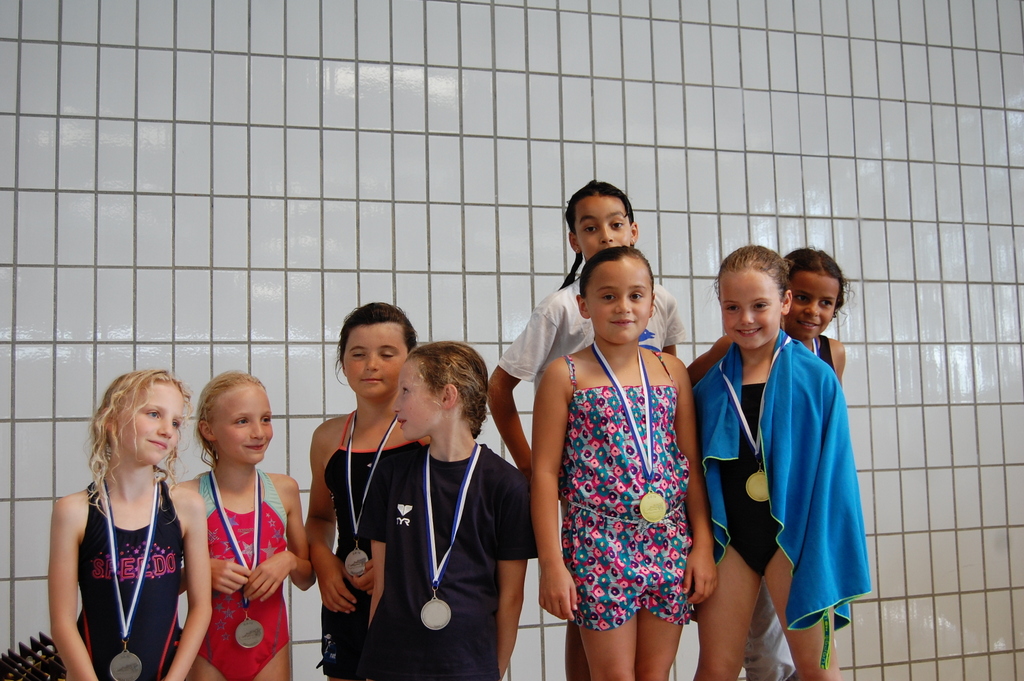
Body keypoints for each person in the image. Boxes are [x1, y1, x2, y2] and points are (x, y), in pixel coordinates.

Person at [488, 180, 687, 680]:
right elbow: (501, 388)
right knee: (603, 657)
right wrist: (532, 469)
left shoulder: (663, 312)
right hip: (593, 514)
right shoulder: (561, 317)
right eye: (591, 227)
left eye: (616, 224)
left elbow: (672, 418)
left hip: (662, 524)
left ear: (633, 229)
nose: (606, 234)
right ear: (575, 240)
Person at [531, 246, 716, 681]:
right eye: (608, 296)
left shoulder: (672, 371)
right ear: (584, 305)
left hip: (669, 539)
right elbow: (543, 475)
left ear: (653, 304)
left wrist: (703, 546)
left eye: (636, 295)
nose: (623, 307)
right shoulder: (565, 374)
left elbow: (690, 464)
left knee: (654, 673)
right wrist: (552, 564)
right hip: (598, 541)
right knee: (614, 675)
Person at [691, 246, 870, 681]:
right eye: (732, 307)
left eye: (759, 306)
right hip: (731, 541)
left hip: (797, 543)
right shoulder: (710, 386)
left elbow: (836, 477)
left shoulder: (817, 378)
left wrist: (822, 552)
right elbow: (695, 473)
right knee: (715, 669)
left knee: (818, 671)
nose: (746, 319)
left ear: (784, 302)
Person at [357, 342, 536, 681]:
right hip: (391, 662)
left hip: (468, 662)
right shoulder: (390, 475)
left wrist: (493, 671)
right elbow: (381, 586)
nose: (396, 405)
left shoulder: (506, 485)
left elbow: (512, 597)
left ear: (447, 396)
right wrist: (373, 665)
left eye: (406, 391)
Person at [47, 369, 212, 681]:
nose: (167, 430)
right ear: (111, 420)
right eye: (154, 414)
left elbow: (202, 608)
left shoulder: (187, 508)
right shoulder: (73, 512)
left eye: (176, 423)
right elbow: (62, 623)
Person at [305, 302, 423, 681]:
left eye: (387, 354)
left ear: (410, 361)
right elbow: (319, 517)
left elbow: (450, 526)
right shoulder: (328, 438)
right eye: (358, 354)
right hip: (346, 592)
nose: (371, 365)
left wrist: (394, 567)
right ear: (343, 363)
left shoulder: (426, 436)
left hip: (410, 592)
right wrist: (324, 563)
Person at [181, 371, 314, 681]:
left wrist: (290, 560)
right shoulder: (185, 498)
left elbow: (306, 578)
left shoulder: (284, 491)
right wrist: (200, 571)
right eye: (242, 421)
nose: (259, 432)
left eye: (265, 419)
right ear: (208, 430)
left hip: (270, 648)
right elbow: (162, 585)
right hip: (206, 649)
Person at [688, 247, 849, 384]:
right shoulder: (733, 345)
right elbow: (684, 385)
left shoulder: (834, 352)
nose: (812, 311)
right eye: (802, 298)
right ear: (783, 299)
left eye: (826, 302)